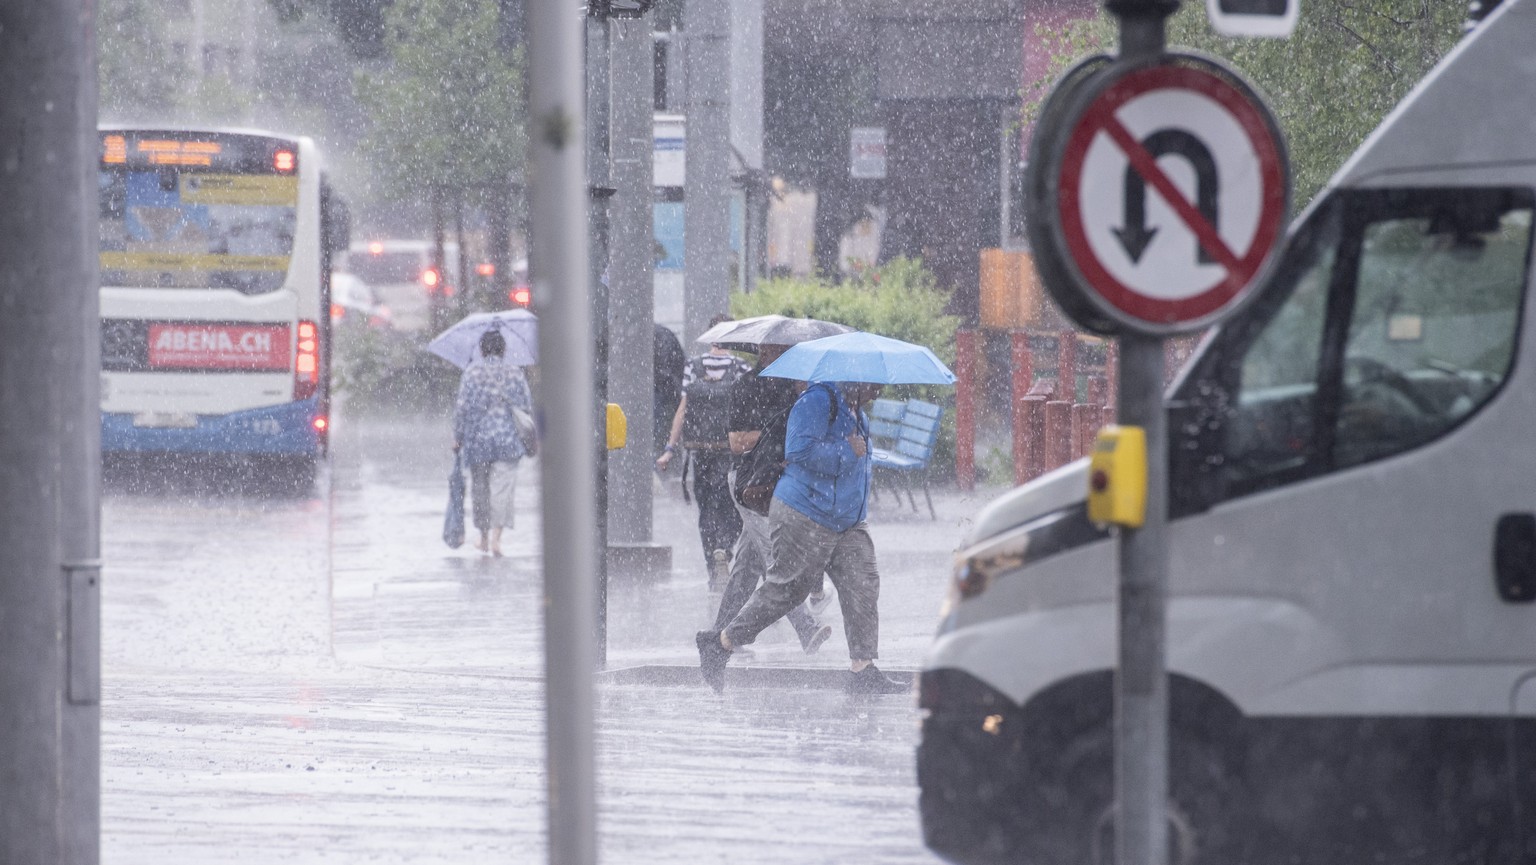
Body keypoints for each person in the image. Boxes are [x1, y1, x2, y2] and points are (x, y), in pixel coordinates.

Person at [696, 379, 907, 695]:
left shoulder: (856, 412)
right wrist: (845, 451)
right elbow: (798, 449)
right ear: (854, 379)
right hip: (805, 511)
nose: (879, 391)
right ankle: (720, 642)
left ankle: (863, 669)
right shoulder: (818, 401)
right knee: (787, 589)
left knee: (862, 584)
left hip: (847, 520)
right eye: (873, 385)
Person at [711, 343, 831, 654]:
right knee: (774, 557)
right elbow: (737, 443)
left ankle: (719, 634)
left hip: (778, 482)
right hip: (748, 483)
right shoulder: (745, 386)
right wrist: (776, 433)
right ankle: (806, 628)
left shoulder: (794, 388)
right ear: (764, 352)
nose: (785, 356)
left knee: (748, 564)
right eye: (779, 350)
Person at [656, 318, 751, 586]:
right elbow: (747, 412)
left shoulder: (694, 367)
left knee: (706, 509)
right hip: (730, 451)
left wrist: (669, 449)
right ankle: (726, 548)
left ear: (711, 337)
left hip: (700, 452)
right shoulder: (741, 368)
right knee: (732, 506)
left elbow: (682, 410)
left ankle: (712, 566)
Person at [453, 329, 534, 557]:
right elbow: (526, 406)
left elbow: (462, 409)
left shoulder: (471, 372)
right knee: (502, 491)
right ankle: (497, 538)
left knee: (480, 491)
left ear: (481, 349)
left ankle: (484, 538)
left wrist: (458, 437)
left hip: (477, 442)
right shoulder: (515, 373)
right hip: (508, 442)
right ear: (504, 349)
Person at [653, 323, 686, 457]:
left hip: (662, 390)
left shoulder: (658, 335)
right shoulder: (663, 334)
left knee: (656, 428)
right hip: (669, 390)